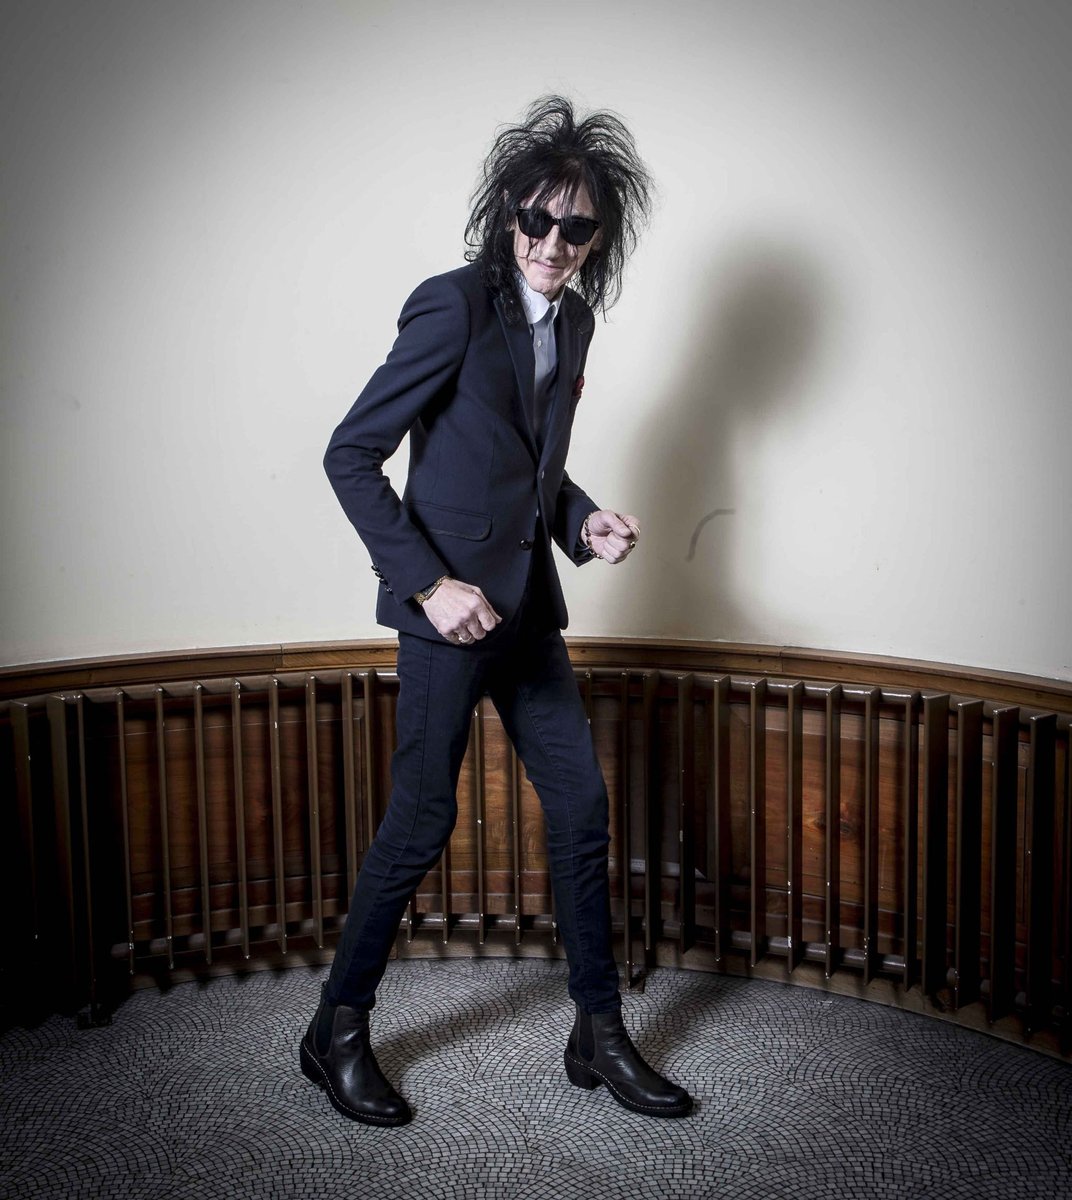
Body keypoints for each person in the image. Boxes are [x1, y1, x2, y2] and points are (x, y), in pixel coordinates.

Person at [302, 96, 692, 1126]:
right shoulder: (452, 306)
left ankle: (597, 1033)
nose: (553, 244)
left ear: (599, 237)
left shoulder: (575, 320)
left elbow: (527, 469)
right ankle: (337, 1028)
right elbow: (350, 453)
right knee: (421, 820)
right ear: (506, 213)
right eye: (536, 220)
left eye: (577, 228)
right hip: (447, 618)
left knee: (582, 811)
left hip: (527, 616)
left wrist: (582, 521)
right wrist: (431, 585)